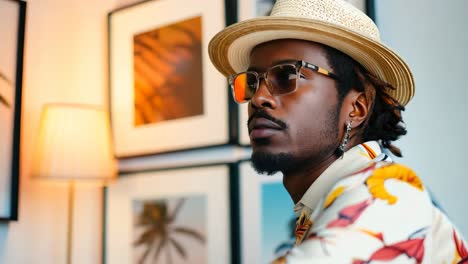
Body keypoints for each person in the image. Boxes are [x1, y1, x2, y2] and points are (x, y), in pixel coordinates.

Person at [208, 0, 467, 262]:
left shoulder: (387, 196)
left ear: (356, 108)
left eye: (287, 75)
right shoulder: (325, 204)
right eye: (250, 83)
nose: (258, 98)